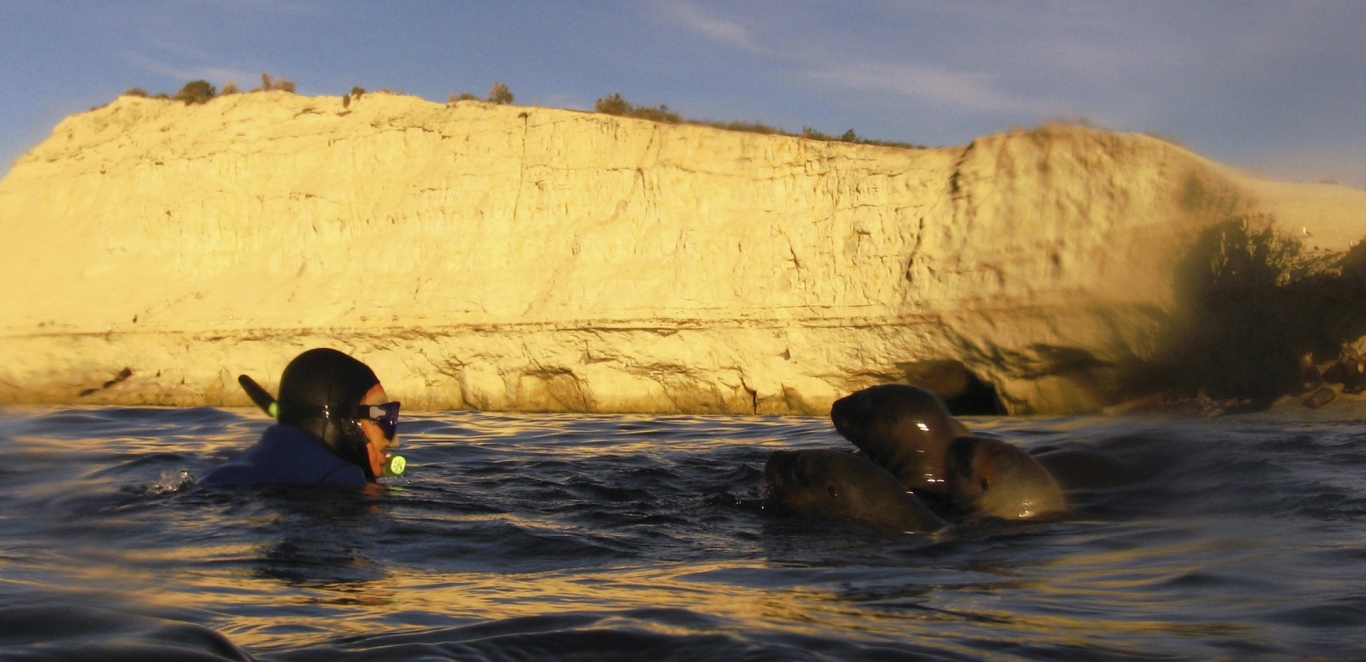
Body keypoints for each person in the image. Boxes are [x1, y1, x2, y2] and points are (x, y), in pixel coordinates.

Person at [201, 348, 404, 487]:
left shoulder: (228, 469)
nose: (394, 441)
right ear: (344, 422)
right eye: (381, 416)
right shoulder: (342, 478)